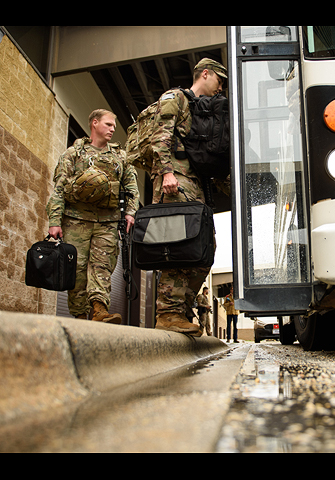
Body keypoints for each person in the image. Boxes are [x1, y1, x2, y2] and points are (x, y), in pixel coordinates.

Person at [150, 58, 228, 337]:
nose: (221, 88)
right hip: (175, 183)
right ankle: (168, 313)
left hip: (195, 185)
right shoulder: (175, 98)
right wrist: (167, 173)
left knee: (205, 248)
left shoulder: (202, 110)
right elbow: (160, 137)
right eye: (219, 81)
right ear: (204, 74)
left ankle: (180, 310)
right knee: (178, 245)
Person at [46, 109, 139, 324]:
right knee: (76, 269)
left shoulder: (120, 157)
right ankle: (79, 315)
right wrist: (54, 221)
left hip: (107, 222)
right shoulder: (73, 154)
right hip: (75, 220)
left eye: (113, 125)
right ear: (94, 123)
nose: (113, 129)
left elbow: (132, 188)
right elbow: (59, 189)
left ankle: (99, 310)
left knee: (102, 265)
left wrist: (131, 213)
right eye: (108, 124)